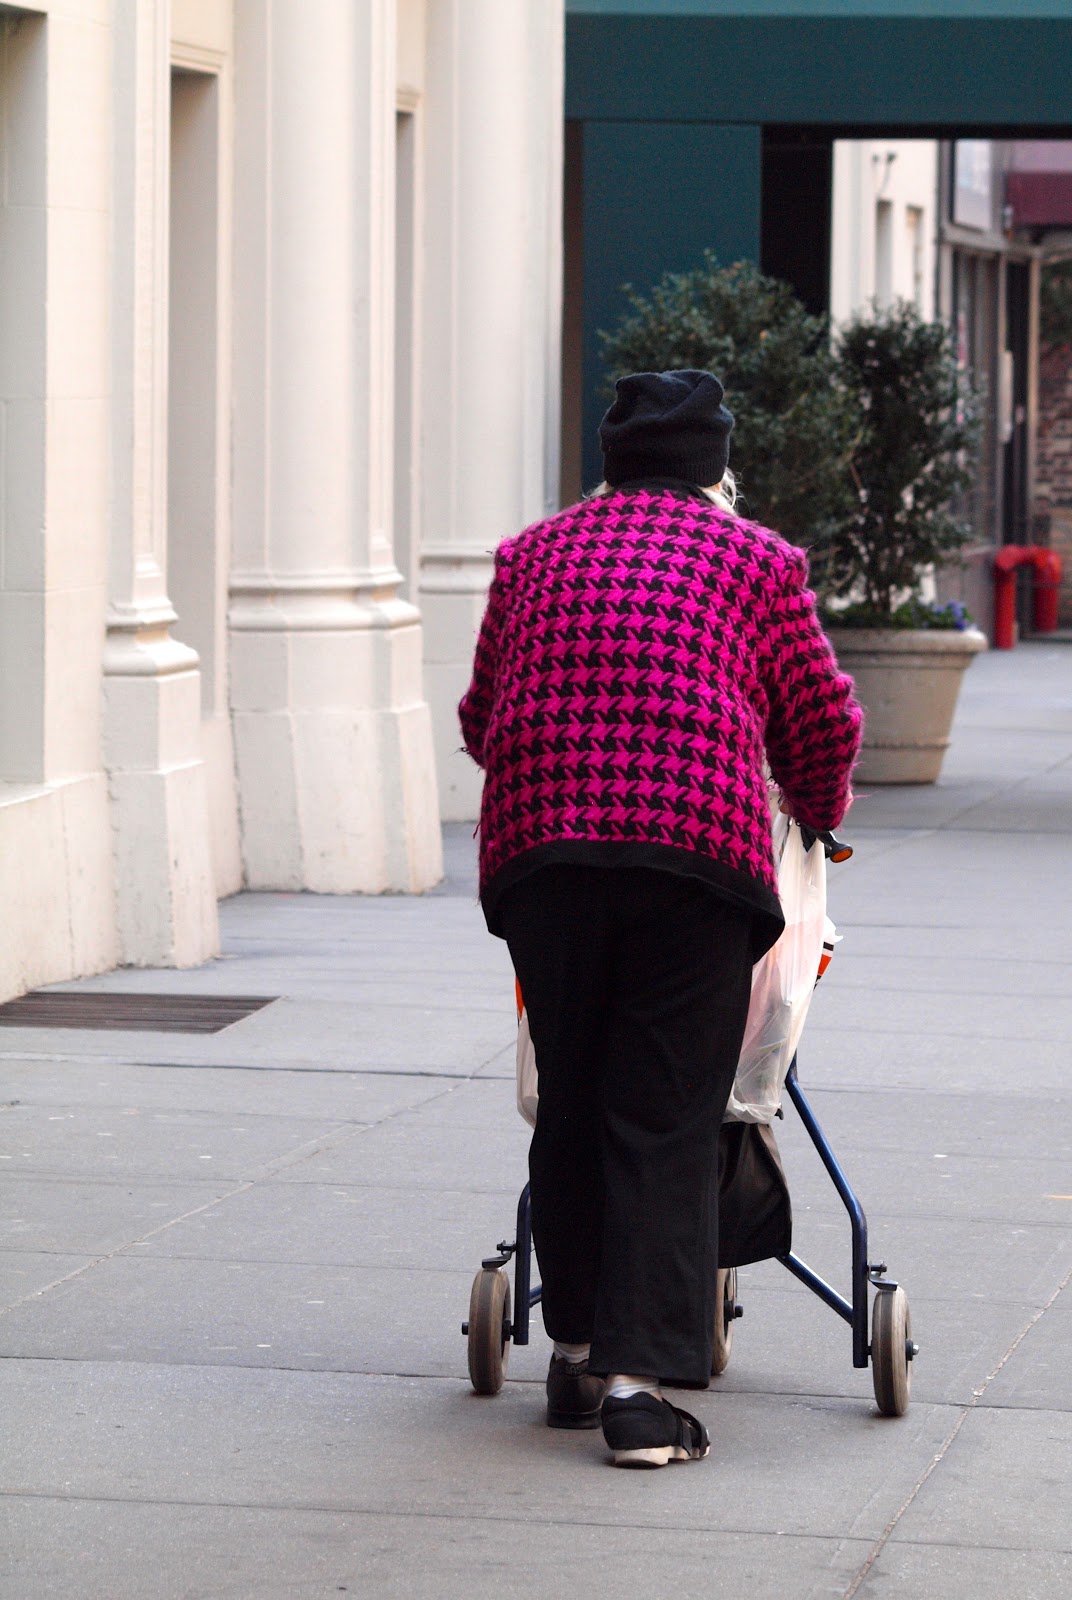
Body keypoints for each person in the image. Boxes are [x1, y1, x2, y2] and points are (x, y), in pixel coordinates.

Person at [458, 369, 862, 1468]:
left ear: (612, 455)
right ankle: (638, 1393)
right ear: (715, 464)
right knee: (663, 1114)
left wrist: (559, 775)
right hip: (694, 868)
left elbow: (484, 716)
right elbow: (821, 717)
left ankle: (579, 1347)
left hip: (544, 864)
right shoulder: (754, 560)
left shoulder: (532, 555)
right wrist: (819, 818)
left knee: (573, 1096)